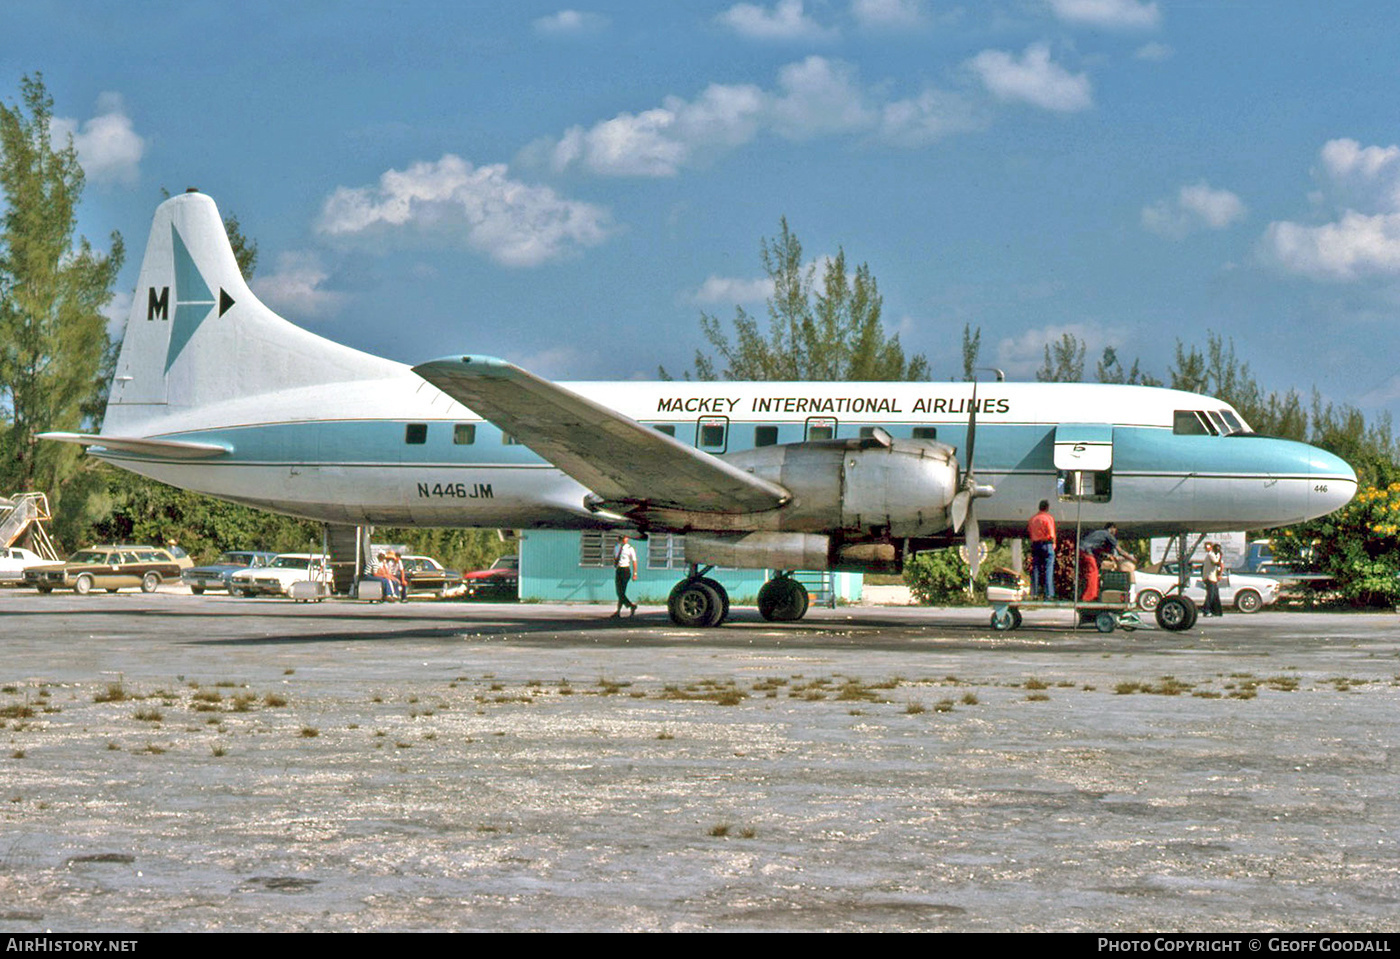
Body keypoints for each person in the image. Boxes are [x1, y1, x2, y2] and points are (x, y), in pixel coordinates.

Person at [1027, 499, 1057, 600]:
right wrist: (1053, 543)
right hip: (1046, 544)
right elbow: (1051, 533)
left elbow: (1030, 532)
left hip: (1035, 544)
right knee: (1049, 569)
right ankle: (1049, 594)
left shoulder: (1032, 519)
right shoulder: (1048, 518)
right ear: (1047, 508)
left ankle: (1034, 593)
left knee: (1036, 568)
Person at [612, 535, 638, 617]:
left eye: (626, 538)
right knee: (619, 592)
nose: (625, 540)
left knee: (621, 592)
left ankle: (621, 609)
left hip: (625, 570)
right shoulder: (617, 547)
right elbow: (615, 557)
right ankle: (630, 606)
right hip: (619, 570)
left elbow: (634, 561)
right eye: (623, 538)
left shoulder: (630, 548)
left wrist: (635, 573)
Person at [1202, 542, 1224, 617]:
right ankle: (1206, 610)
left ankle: (1216, 610)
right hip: (1209, 577)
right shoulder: (1211, 554)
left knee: (1215, 595)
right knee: (1210, 595)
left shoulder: (1215, 555)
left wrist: (1219, 574)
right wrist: (1220, 557)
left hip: (1213, 577)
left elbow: (1221, 566)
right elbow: (1216, 563)